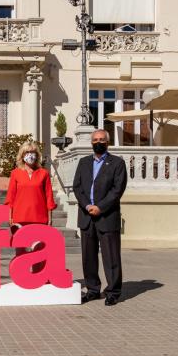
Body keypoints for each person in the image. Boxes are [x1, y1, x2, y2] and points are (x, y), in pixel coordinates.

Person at [73, 129, 127, 306]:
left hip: (107, 217)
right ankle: (93, 290)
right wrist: (87, 206)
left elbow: (117, 190)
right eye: (95, 140)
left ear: (107, 142)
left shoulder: (117, 163)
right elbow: (77, 187)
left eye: (102, 139)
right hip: (86, 216)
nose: (98, 142)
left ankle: (113, 292)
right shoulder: (83, 162)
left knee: (111, 257)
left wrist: (100, 207)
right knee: (88, 257)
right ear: (91, 143)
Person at [4, 141, 57, 272]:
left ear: (37, 155)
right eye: (27, 152)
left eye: (33, 152)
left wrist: (50, 218)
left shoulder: (44, 173)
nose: (30, 155)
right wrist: (10, 216)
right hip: (20, 217)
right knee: (21, 248)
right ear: (22, 156)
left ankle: (38, 275)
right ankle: (21, 274)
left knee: (38, 248)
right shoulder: (15, 173)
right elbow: (11, 196)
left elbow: (49, 196)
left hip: (39, 217)